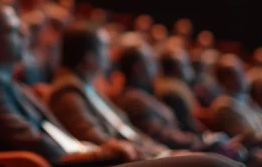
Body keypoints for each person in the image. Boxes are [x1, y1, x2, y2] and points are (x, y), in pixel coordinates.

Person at [0, 2, 142, 166]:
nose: (25, 33)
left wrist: (90, 151)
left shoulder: (4, 80)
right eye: (14, 30)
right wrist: (93, 154)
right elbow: (25, 138)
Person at [46, 22, 175, 159]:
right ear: (89, 57)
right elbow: (95, 138)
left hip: (142, 156)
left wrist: (163, 153)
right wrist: (156, 157)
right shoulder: (66, 92)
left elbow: (126, 129)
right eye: (104, 48)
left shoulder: (86, 86)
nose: (109, 55)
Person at [116, 46, 242, 157]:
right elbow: (162, 137)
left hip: (179, 151)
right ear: (137, 68)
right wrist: (203, 142)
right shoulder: (133, 99)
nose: (156, 68)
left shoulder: (145, 95)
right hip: (172, 155)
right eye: (150, 62)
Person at [155, 45, 208, 135]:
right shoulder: (172, 91)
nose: (189, 68)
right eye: (185, 64)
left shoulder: (177, 84)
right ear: (176, 68)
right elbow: (189, 124)